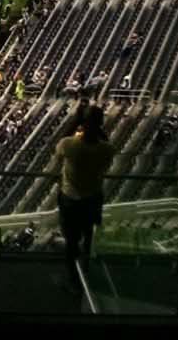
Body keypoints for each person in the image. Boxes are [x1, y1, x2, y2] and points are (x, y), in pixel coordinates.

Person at [52, 104, 117, 272]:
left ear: (84, 123)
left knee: (71, 241)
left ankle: (73, 277)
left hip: (70, 200)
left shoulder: (70, 145)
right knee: (90, 237)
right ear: (101, 123)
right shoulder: (106, 150)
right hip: (93, 199)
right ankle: (87, 271)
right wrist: (94, 125)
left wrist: (76, 120)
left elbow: (60, 143)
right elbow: (106, 142)